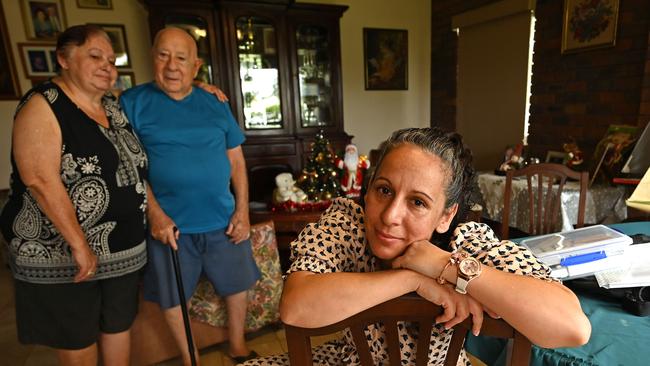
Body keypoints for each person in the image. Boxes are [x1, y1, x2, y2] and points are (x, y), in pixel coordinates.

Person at [243, 127, 591, 365]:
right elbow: (296, 305)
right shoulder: (348, 223)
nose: (390, 216)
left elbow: (571, 326)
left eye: (418, 202)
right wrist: (413, 280)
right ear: (367, 191)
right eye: (383, 190)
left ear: (446, 215)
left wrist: (446, 267)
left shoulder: (464, 242)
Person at [0, 25, 148, 366]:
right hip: (61, 254)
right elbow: (38, 178)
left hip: (122, 251)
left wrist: (199, 87)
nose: (107, 66)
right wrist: (79, 244)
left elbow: (135, 167)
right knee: (77, 337)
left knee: (117, 327)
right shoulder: (44, 104)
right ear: (63, 59)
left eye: (112, 60)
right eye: (95, 56)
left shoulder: (112, 107)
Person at [119, 27, 260, 365]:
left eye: (181, 58)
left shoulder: (214, 101)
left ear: (195, 66)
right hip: (170, 226)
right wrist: (155, 213)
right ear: (152, 58)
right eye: (163, 55)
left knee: (237, 284)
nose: (171, 66)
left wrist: (242, 211)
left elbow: (236, 161)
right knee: (171, 296)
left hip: (223, 218)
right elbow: (128, 165)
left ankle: (237, 344)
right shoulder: (131, 103)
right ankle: (190, 357)